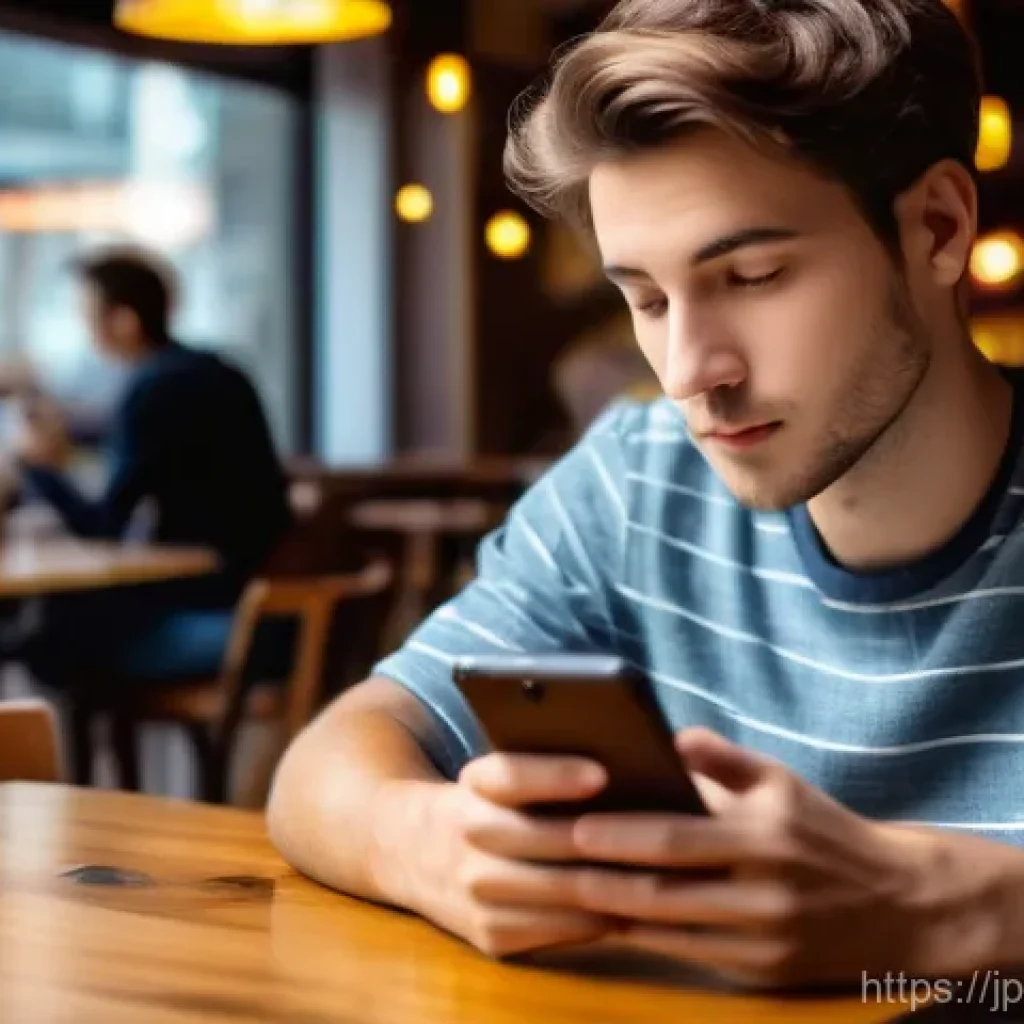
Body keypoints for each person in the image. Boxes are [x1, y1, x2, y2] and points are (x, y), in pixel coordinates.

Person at [266, 0, 1024, 992]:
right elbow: (323, 765)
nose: (686, 370)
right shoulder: (634, 484)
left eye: (751, 275)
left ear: (936, 228)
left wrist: (947, 904)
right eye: (648, 300)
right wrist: (440, 845)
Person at [12, 245, 293, 688]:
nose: (84, 330)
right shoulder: (213, 372)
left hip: (224, 624)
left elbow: (104, 527)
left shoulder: (154, 390)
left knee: (49, 640)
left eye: (87, 314)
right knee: (62, 625)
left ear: (124, 321)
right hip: (269, 609)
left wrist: (38, 468)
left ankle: (51, 756)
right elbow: (128, 438)